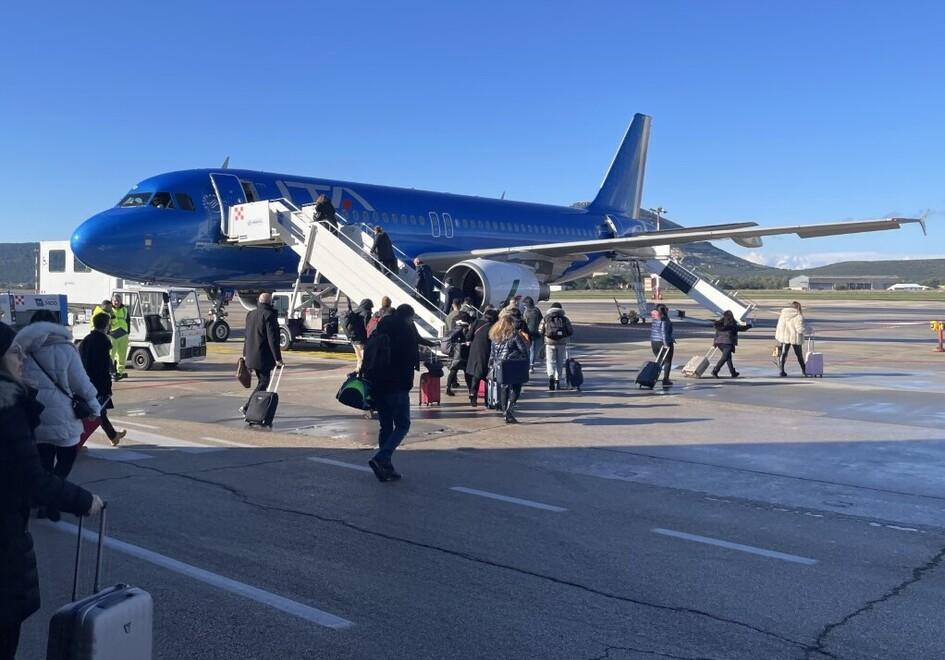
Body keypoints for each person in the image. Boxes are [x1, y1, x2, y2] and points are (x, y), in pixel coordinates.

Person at [0, 322, 105, 660]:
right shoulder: (7, 408)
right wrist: (83, 500)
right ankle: (53, 505)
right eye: (13, 352)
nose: (20, 358)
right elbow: (30, 477)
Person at [13, 310, 101, 522]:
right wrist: (94, 405)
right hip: (63, 416)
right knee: (66, 459)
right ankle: (52, 498)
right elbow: (81, 382)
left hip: (34, 416)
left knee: (43, 461)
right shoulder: (65, 349)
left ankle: (44, 497)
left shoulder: (20, 350)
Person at [366, 304, 420, 482]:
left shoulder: (379, 329)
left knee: (386, 426)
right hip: (397, 385)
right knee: (403, 425)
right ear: (408, 316)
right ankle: (382, 457)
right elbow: (411, 358)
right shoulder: (406, 332)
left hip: (378, 384)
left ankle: (386, 466)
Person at [78, 312, 127, 446]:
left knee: (99, 412)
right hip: (97, 384)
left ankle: (113, 435)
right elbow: (103, 367)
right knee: (96, 413)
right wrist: (107, 387)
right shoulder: (103, 341)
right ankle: (79, 442)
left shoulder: (86, 340)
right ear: (106, 325)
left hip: (83, 382)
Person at [240, 292, 283, 416]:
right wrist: (278, 358)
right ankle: (248, 407)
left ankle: (252, 407)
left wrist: (245, 354)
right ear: (270, 302)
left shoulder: (250, 314)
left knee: (262, 382)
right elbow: (273, 339)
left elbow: (247, 335)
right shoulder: (269, 315)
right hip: (262, 357)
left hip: (251, 355)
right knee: (264, 382)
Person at [489, 311, 530, 424]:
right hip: (511, 364)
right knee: (516, 386)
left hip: (499, 365)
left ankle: (504, 411)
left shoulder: (494, 335)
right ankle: (509, 409)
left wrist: (492, 364)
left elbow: (492, 353)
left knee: (504, 387)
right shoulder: (514, 335)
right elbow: (523, 351)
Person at [465, 307, 498, 407]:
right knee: (488, 376)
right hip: (487, 352)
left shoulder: (476, 322)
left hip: (474, 351)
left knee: (476, 374)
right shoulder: (494, 327)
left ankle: (473, 395)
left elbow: (468, 336)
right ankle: (488, 400)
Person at [539, 302, 573, 391]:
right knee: (559, 362)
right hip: (561, 343)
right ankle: (558, 380)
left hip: (549, 343)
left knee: (550, 361)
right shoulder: (565, 319)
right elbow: (570, 331)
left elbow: (540, 330)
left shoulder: (546, 318)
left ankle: (551, 376)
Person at [711, 310, 752, 378]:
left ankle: (733, 372)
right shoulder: (731, 324)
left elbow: (716, 334)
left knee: (728, 357)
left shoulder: (719, 323)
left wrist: (714, 343)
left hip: (719, 343)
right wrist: (749, 325)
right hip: (728, 343)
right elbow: (741, 328)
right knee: (724, 358)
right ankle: (715, 370)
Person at [775, 301, 809, 377]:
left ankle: (781, 370)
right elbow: (800, 329)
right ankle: (804, 370)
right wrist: (809, 330)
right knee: (799, 355)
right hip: (795, 337)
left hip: (785, 337)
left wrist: (779, 336)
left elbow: (779, 327)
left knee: (783, 354)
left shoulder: (783, 315)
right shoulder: (798, 316)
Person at [444, 312, 471, 396]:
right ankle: (471, 390)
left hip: (454, 354)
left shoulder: (454, 328)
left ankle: (448, 388)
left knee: (453, 371)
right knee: (467, 372)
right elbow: (466, 339)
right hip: (462, 354)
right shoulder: (464, 329)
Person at [649, 304, 675, 387]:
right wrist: (666, 344)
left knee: (660, 361)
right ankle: (665, 379)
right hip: (663, 342)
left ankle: (652, 377)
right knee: (667, 361)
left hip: (654, 342)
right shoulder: (664, 320)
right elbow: (664, 333)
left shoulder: (655, 319)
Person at [345, 299, 373, 371]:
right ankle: (363, 371)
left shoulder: (355, 311)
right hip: (362, 338)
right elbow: (367, 326)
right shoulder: (366, 313)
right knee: (363, 356)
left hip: (353, 337)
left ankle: (358, 369)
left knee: (358, 357)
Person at [109, 294, 130, 380]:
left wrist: (128, 332)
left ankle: (119, 373)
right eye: (115, 301)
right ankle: (110, 372)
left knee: (122, 355)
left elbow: (128, 321)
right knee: (111, 355)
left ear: (121, 301)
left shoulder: (125, 309)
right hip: (113, 335)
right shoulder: (109, 310)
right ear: (112, 301)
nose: (117, 302)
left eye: (118, 300)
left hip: (123, 335)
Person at [522, 297, 543, 371]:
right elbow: (541, 319)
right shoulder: (537, 310)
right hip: (535, 332)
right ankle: (531, 366)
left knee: (526, 349)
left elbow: (523, 322)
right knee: (533, 350)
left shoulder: (525, 312)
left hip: (527, 332)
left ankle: (526, 364)